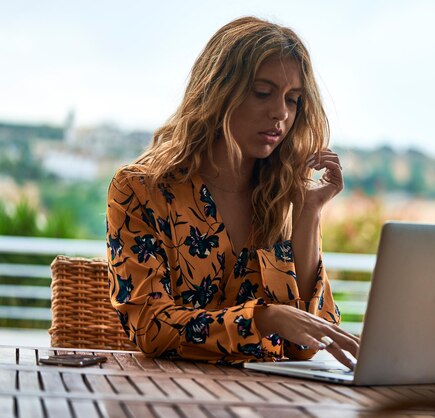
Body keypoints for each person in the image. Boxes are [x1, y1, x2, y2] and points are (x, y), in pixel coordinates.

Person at [106, 16, 359, 369]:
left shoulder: (285, 197)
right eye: (262, 92)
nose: (280, 113)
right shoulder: (141, 189)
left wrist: (308, 214)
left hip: (271, 403)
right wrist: (263, 319)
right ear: (218, 91)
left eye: (293, 99)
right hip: (169, 398)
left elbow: (308, 346)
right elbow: (151, 327)